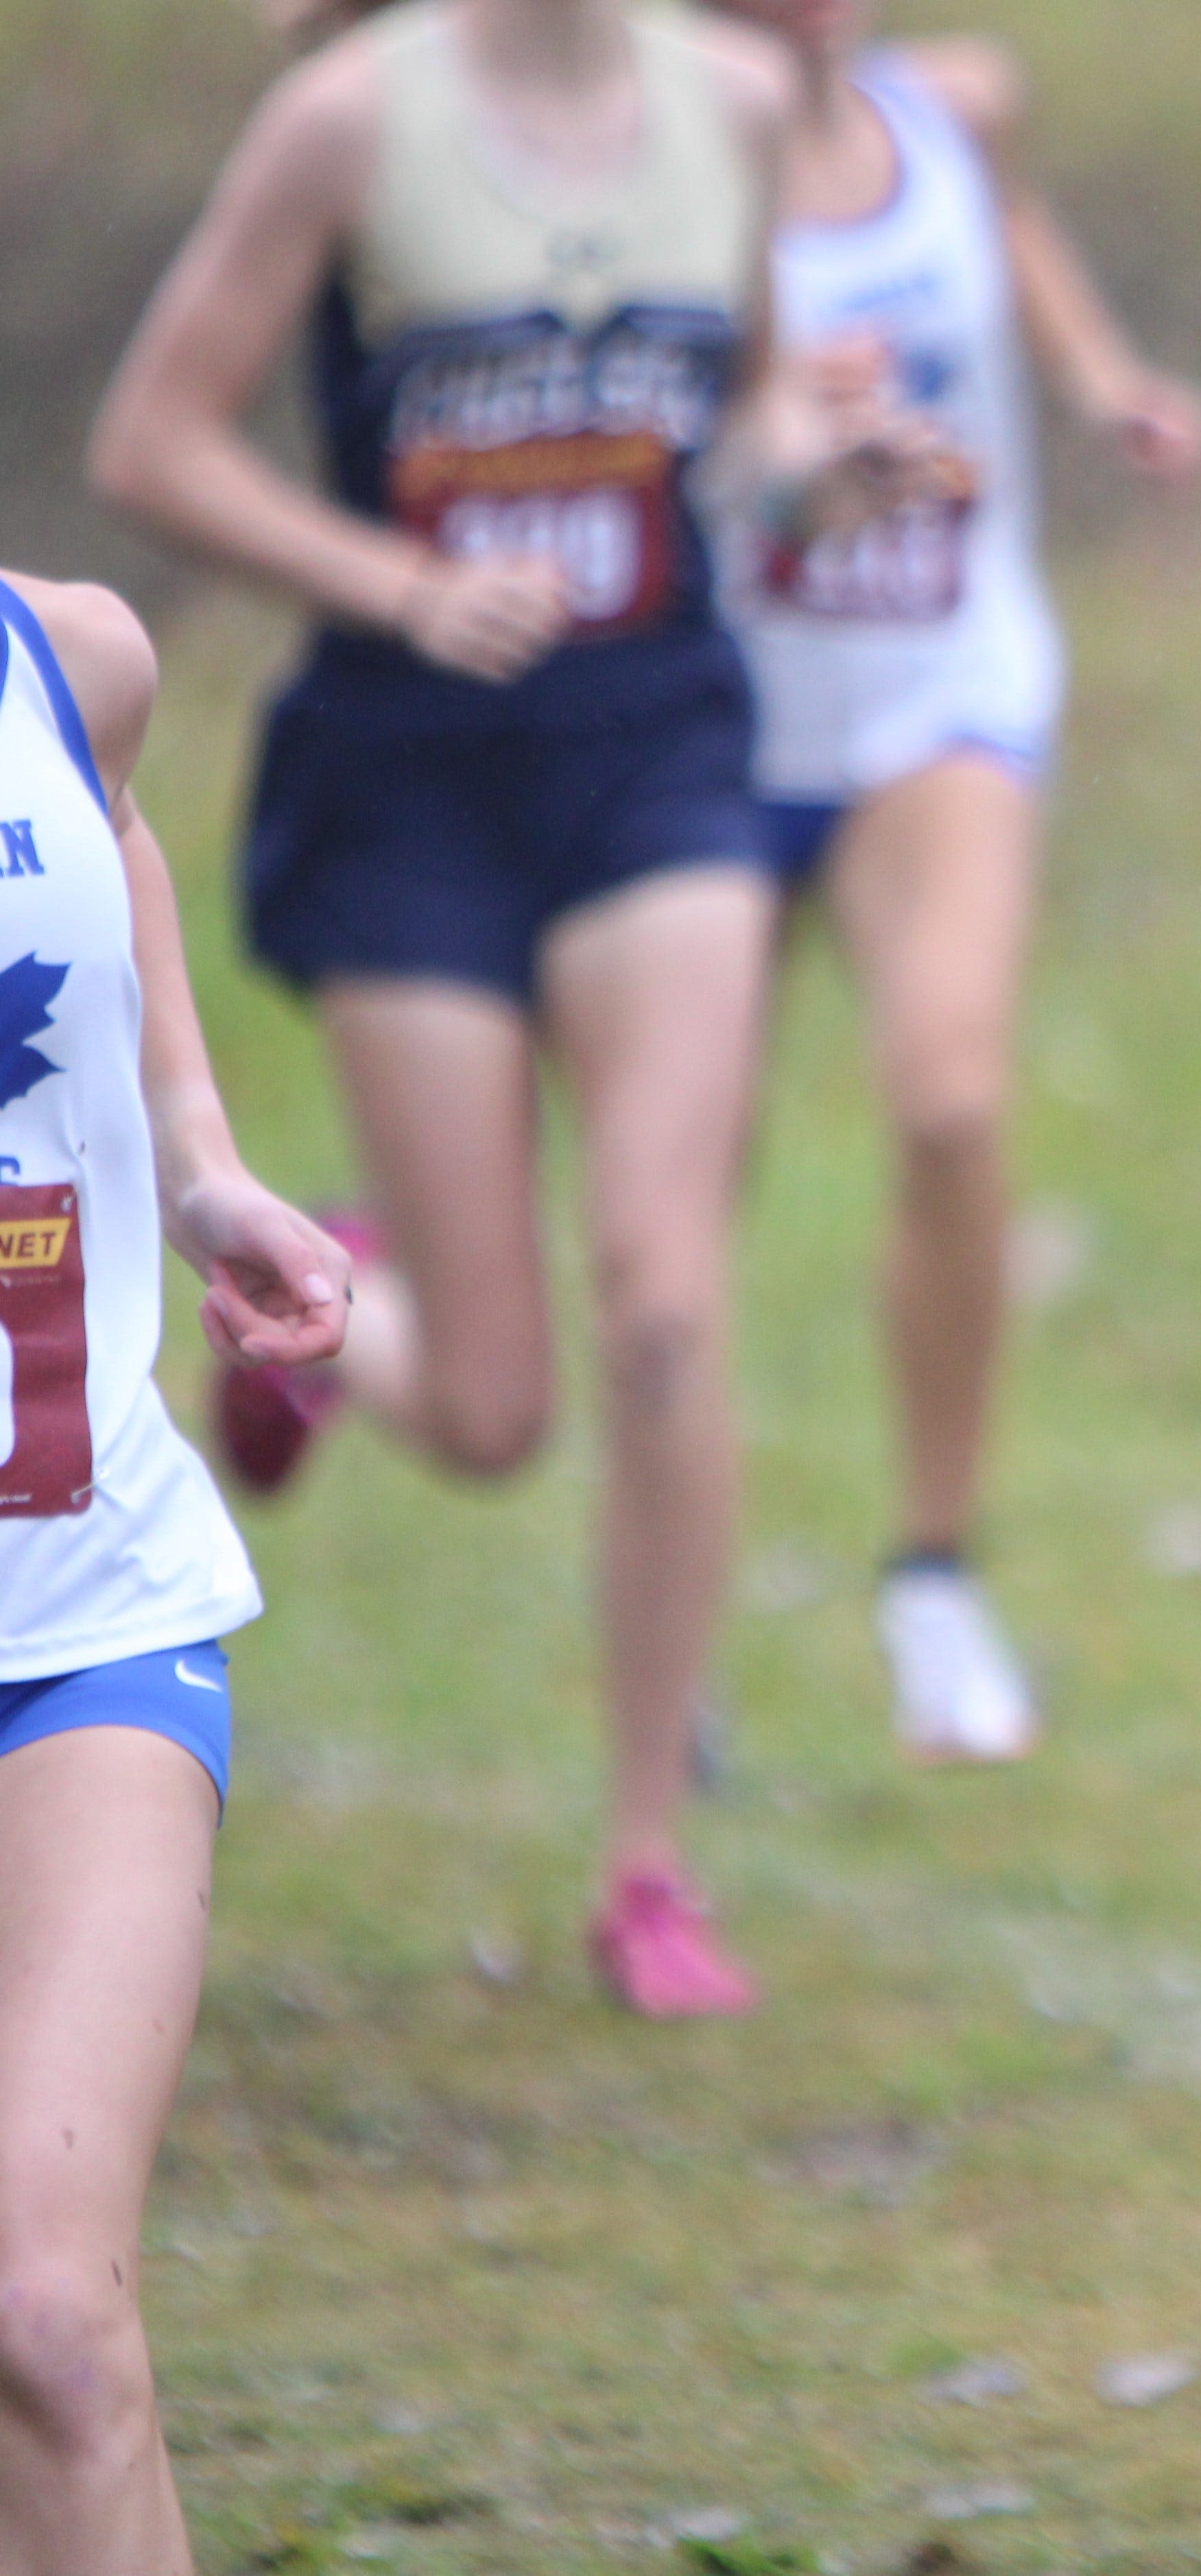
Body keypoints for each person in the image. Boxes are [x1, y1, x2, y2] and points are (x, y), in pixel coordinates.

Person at [87, 0, 931, 2016]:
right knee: (489, 1406)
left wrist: (828, 470)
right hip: (413, 781)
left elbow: (722, 441)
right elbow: (151, 443)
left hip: (655, 750)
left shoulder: (729, 98)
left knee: (662, 1300)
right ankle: (333, 1296)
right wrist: (394, 587)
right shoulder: (345, 121)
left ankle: (646, 1858)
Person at [702, 0, 1201, 1764]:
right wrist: (804, 464)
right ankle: (670, 1613)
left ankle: (932, 1580)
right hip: (709, 716)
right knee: (682, 1199)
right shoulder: (656, 164)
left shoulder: (952, 111)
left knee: (947, 1103)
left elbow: (1012, 228)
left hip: (940, 695)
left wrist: (1105, 383)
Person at [0, 568, 352, 2576]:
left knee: (50, 2319)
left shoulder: (67, 655)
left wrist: (197, 1148)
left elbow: (107, 815)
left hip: (82, 1611)